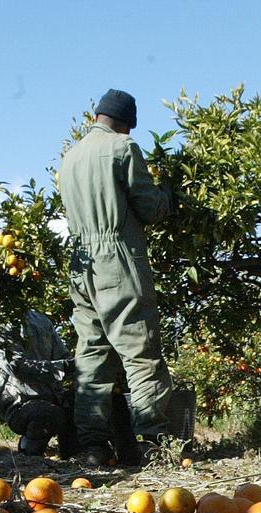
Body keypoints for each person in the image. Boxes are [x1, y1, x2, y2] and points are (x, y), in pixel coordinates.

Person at [58, 88, 173, 466]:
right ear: (126, 123)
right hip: (116, 257)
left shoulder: (69, 158)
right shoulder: (123, 149)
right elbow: (150, 208)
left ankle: (93, 446)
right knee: (139, 346)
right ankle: (153, 440)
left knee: (91, 350)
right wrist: (169, 194)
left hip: (80, 262)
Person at [0, 310, 78, 457]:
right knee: (46, 413)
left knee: (88, 402)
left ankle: (74, 456)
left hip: (55, 398)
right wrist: (63, 367)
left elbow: (64, 356)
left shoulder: (41, 320)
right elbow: (16, 366)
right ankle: (30, 452)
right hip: (21, 405)